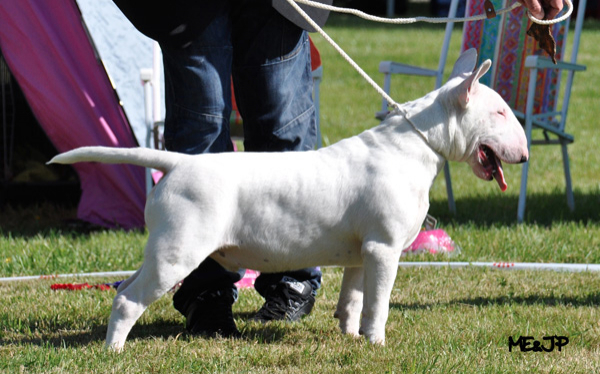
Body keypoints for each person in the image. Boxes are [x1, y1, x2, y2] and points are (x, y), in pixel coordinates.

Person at [113, 0, 332, 338]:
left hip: (276, 7)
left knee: (282, 132)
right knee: (200, 140)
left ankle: (292, 281)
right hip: (191, 9)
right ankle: (207, 294)